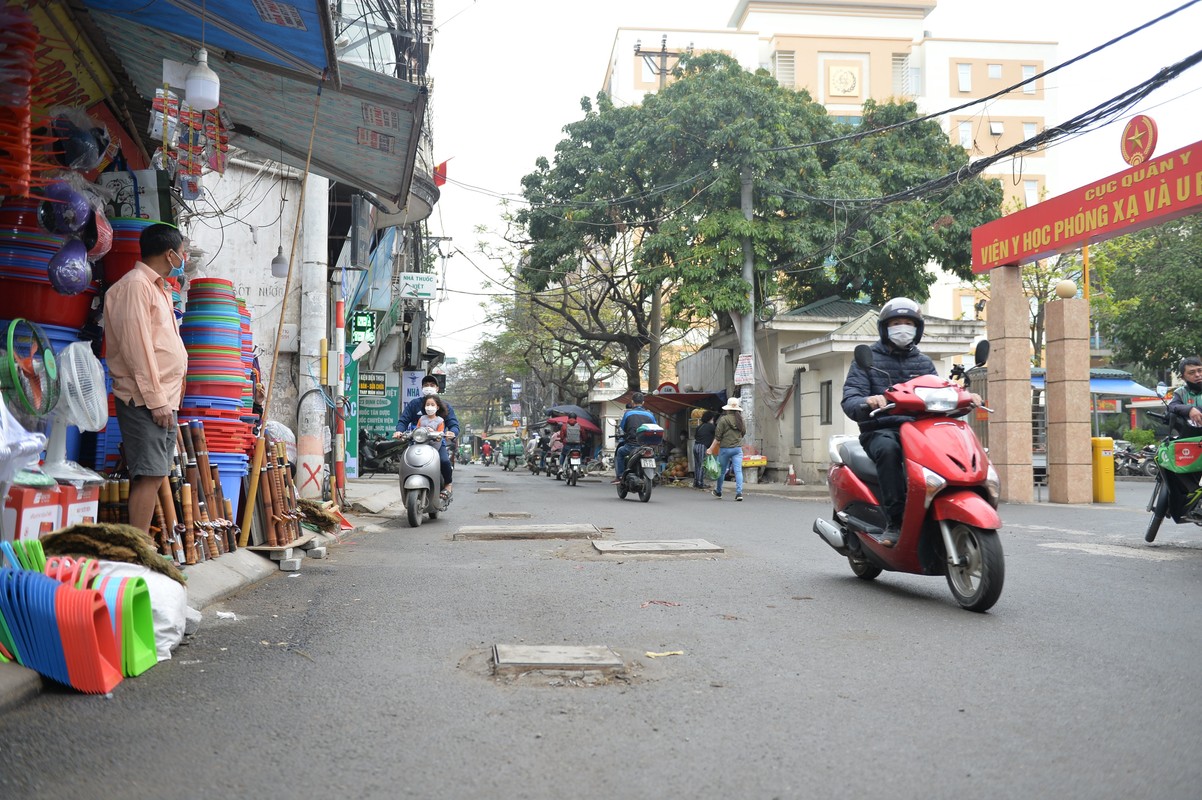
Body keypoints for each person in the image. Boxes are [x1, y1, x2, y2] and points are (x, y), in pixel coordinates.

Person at [841, 297, 981, 546]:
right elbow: (850, 399)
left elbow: (938, 399)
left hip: (920, 430)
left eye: (908, 323)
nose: (902, 328)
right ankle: (894, 522)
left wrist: (965, 401)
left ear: (918, 329)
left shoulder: (924, 363)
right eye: (896, 322)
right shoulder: (867, 360)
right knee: (889, 450)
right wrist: (870, 401)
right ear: (885, 328)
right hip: (882, 429)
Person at [105, 222, 189, 536]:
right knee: (150, 474)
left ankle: (138, 545)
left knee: (155, 474)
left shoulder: (157, 288)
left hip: (162, 399)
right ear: (170, 254)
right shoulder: (135, 286)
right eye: (183, 252)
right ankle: (136, 548)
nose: (185, 257)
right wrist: (157, 402)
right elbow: (138, 349)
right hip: (145, 399)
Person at [395, 374, 458, 498]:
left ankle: (448, 484)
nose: (429, 387)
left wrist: (452, 432)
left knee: (445, 461)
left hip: (437, 444)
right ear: (422, 388)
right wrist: (399, 431)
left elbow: (453, 424)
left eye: (432, 385)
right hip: (416, 443)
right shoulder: (414, 404)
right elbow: (403, 420)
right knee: (405, 462)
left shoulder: (445, 406)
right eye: (426, 385)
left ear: (437, 389)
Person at [1164, 355, 1202, 520]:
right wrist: (1189, 409)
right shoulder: (1181, 392)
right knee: (1170, 462)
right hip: (1189, 441)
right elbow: (1172, 406)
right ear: (1183, 377)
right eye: (1192, 372)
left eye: (1200, 370)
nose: (1198, 375)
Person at [612, 392, 657, 483]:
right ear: (643, 402)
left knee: (620, 452)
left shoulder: (628, 414)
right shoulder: (650, 415)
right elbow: (654, 427)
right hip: (646, 446)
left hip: (631, 446)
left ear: (632, 402)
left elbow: (623, 427)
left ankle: (620, 476)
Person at [712, 398, 746, 501]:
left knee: (721, 472)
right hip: (737, 449)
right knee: (738, 471)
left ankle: (718, 491)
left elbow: (718, 436)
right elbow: (743, 432)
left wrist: (710, 448)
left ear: (728, 409)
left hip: (725, 449)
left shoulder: (723, 420)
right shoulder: (741, 420)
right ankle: (739, 493)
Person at [692, 410, 716, 489]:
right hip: (702, 447)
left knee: (697, 465)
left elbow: (695, 436)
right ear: (710, 418)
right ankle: (700, 483)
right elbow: (718, 435)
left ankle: (696, 482)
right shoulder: (711, 426)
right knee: (702, 465)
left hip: (695, 446)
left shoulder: (700, 426)